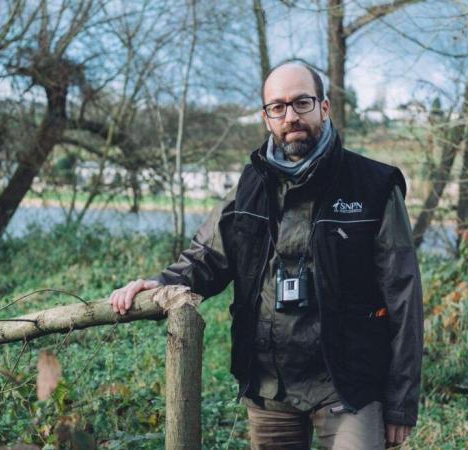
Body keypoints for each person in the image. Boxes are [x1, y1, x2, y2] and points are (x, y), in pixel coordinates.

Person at [109, 62, 423, 449]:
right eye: (278, 107)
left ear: (323, 108)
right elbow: (207, 257)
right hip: (271, 387)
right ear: (266, 116)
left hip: (348, 385)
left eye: (301, 103)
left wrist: (401, 405)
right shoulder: (249, 185)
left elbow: (404, 297)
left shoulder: (374, 185)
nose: (291, 116)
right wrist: (159, 284)